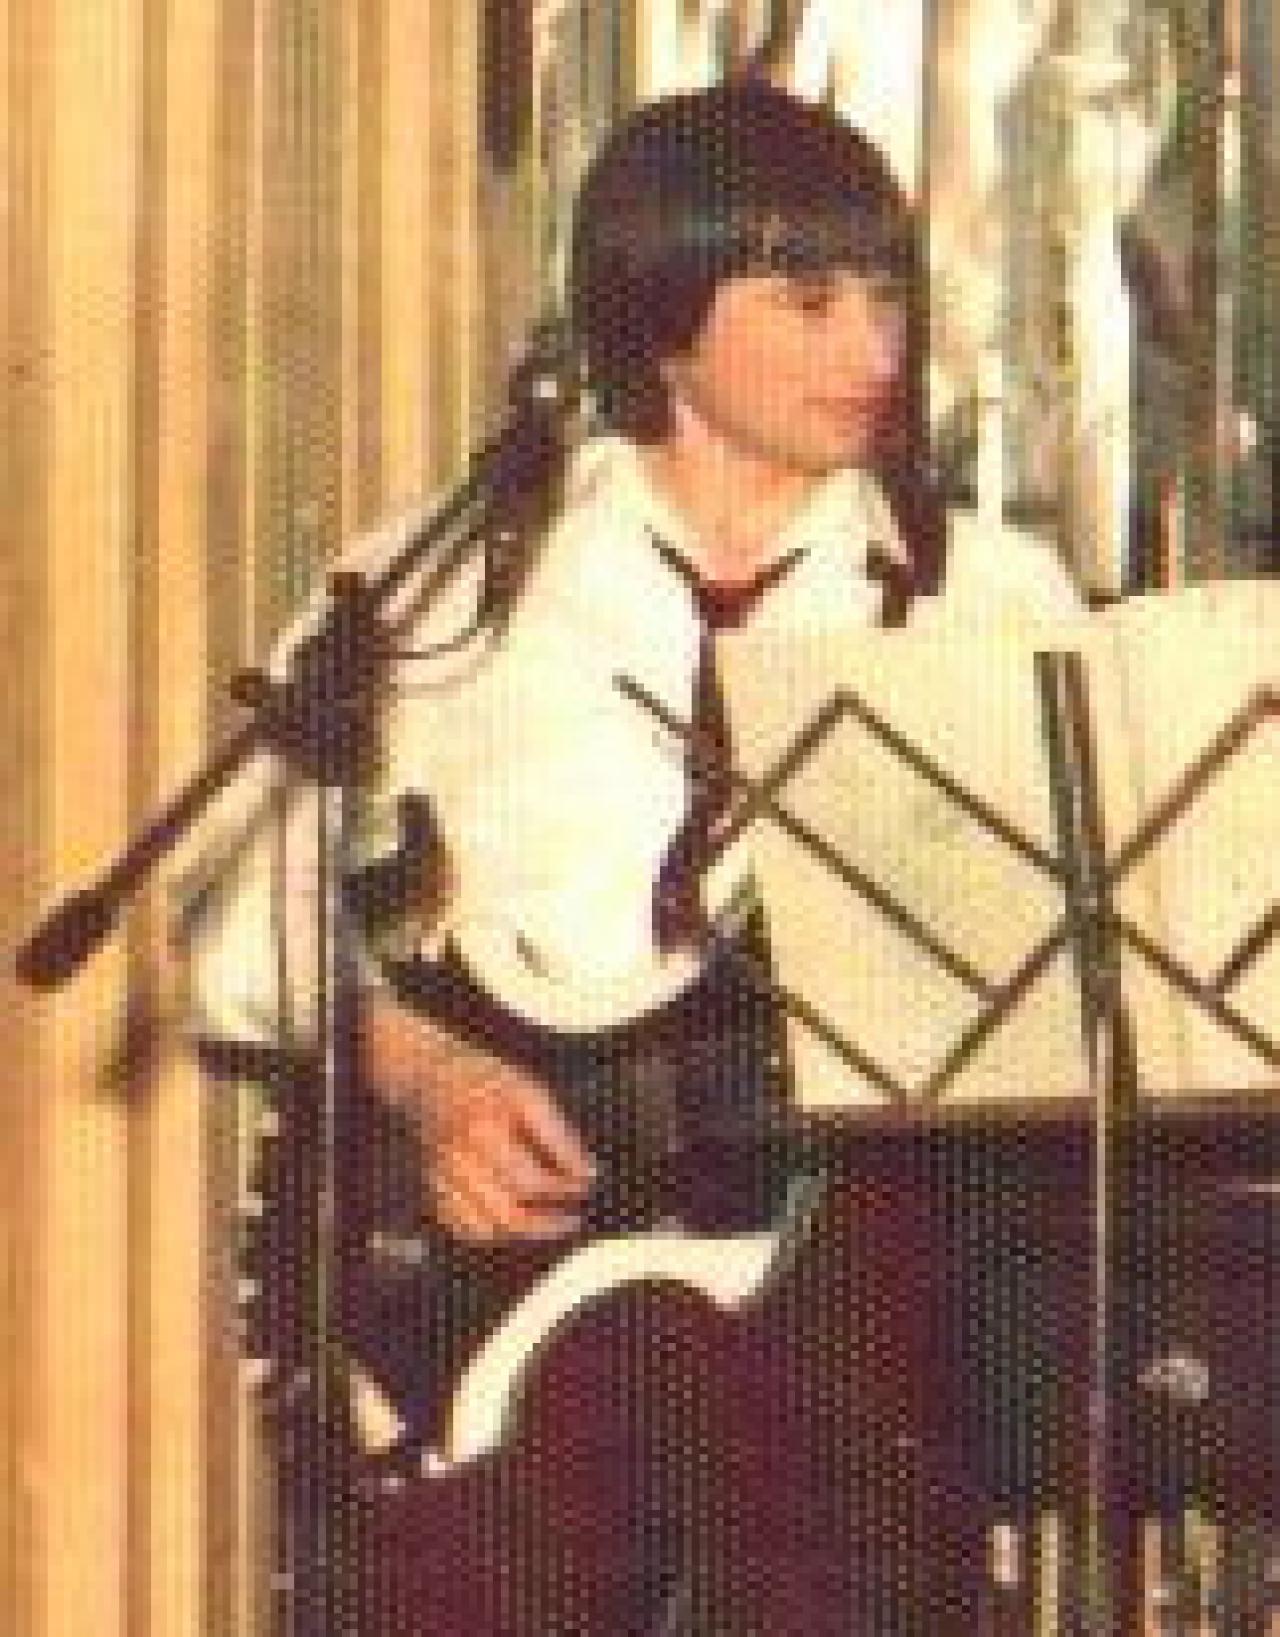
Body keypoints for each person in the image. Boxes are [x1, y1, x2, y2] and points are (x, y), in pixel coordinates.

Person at [187, 76, 1079, 1633]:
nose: (874, 347)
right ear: (664, 320)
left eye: (887, 294)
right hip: (493, 1286)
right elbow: (235, 912)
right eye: (808, 300)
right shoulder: (455, 586)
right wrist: (422, 1075)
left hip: (841, 1286)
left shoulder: (986, 599)